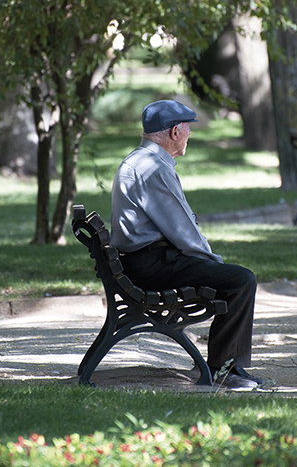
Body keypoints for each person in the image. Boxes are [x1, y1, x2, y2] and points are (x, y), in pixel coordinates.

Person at [111, 99, 262, 389]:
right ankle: (223, 370)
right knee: (241, 280)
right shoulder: (153, 168)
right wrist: (214, 263)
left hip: (142, 262)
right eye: (188, 128)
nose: (190, 133)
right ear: (175, 132)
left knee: (235, 278)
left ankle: (225, 366)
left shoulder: (140, 161)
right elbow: (184, 232)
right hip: (152, 265)